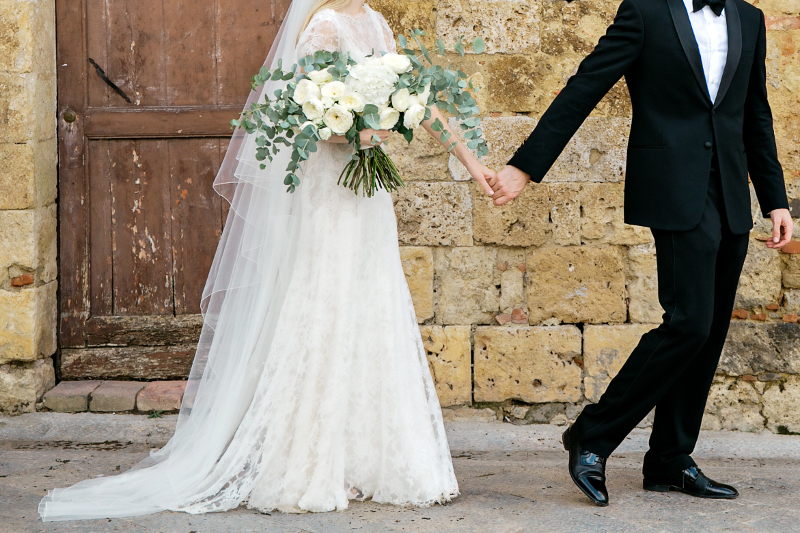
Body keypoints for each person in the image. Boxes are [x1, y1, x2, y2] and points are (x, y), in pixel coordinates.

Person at [39, 0, 496, 520]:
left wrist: (473, 164)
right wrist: (355, 133)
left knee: (373, 304)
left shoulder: (374, 21)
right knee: (324, 304)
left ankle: (374, 457)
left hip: (367, 199)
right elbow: (302, 114)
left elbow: (419, 97)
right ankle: (306, 461)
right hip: (327, 194)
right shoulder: (321, 28)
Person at [489, 0, 793, 506]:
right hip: (674, 188)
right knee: (689, 322)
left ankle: (670, 460)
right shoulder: (646, 13)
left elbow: (754, 111)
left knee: (711, 328)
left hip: (732, 196)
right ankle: (592, 434)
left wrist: (775, 198)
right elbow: (585, 87)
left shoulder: (749, 18)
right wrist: (524, 168)